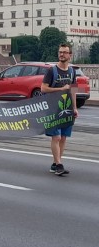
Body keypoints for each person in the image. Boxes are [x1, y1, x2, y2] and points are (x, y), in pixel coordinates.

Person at [41, 43, 78, 176]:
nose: (61, 54)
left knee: (63, 137)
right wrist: (60, 89)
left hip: (66, 108)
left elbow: (73, 90)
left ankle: (56, 163)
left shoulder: (72, 71)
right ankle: (59, 165)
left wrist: (75, 107)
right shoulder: (52, 71)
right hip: (52, 108)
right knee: (56, 137)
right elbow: (43, 88)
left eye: (64, 52)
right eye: (60, 52)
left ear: (70, 55)